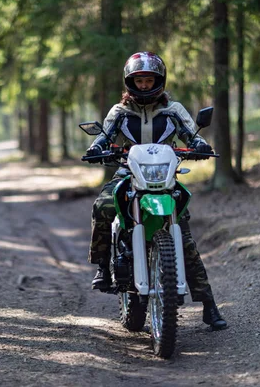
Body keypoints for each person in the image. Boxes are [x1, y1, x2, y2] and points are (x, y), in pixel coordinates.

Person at [85, 51, 227, 330]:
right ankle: (103, 265)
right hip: (128, 172)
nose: (144, 85)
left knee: (184, 238)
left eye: (149, 80)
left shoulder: (173, 110)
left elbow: (192, 133)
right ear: (130, 82)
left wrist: (199, 145)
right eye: (139, 81)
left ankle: (209, 305)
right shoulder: (119, 111)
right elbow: (105, 136)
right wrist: (97, 147)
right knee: (102, 205)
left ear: (159, 80)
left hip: (164, 177)